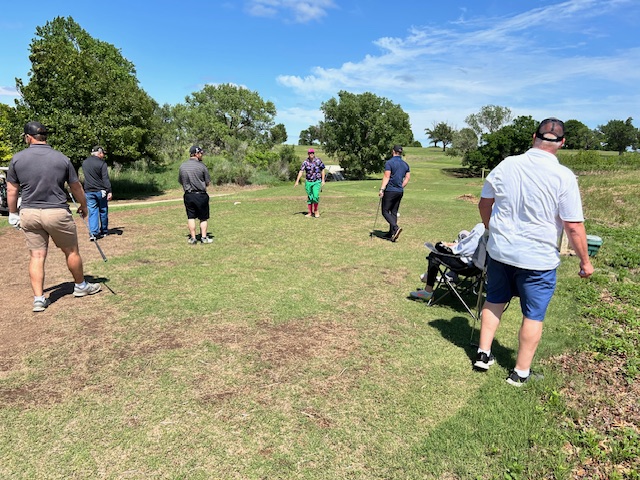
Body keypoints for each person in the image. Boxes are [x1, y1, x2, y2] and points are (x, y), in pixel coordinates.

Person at [475, 118, 594, 386]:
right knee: (533, 314)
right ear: (562, 143)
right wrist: (585, 261)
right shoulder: (563, 176)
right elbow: (573, 226)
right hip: (538, 258)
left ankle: (483, 354)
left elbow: (485, 204)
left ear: (534, 137)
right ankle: (520, 372)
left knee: (494, 299)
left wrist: (489, 228)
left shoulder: (506, 165)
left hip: (501, 250)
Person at [6, 121, 102, 312]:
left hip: (30, 212)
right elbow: (76, 187)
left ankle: (39, 299)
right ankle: (81, 286)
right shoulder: (62, 158)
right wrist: (83, 206)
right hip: (57, 212)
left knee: (37, 255)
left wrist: (12, 213)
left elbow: (11, 189)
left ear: (29, 137)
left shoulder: (17, 159)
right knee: (71, 251)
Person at [410, 223, 485, 301]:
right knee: (440, 249)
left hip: (466, 267)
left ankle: (428, 290)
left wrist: (450, 246)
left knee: (436, 251)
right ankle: (431, 279)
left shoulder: (481, 227)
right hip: (479, 269)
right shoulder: (494, 232)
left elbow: (467, 249)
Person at [178, 146, 213, 244]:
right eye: (201, 153)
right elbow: (208, 182)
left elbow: (181, 181)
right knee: (203, 218)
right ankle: (204, 237)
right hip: (201, 195)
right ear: (196, 154)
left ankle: (193, 238)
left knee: (191, 217)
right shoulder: (202, 166)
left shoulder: (182, 166)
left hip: (188, 195)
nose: (202, 155)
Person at [379, 145, 410, 242]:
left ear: (393, 151)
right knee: (393, 212)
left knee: (385, 211)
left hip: (390, 190)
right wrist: (401, 186)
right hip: (399, 191)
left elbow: (387, 176)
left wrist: (382, 189)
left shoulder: (389, 163)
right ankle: (391, 233)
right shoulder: (405, 164)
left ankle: (395, 228)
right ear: (400, 152)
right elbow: (407, 178)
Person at [81, 145, 112, 240]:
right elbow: (105, 178)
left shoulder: (85, 163)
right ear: (99, 153)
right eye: (103, 153)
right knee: (103, 210)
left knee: (92, 211)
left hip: (89, 191)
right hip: (100, 191)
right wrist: (109, 190)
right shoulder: (102, 163)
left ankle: (93, 233)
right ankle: (104, 231)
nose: (103, 155)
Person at [294, 148, 325, 217]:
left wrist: (323, 180)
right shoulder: (305, 162)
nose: (311, 154)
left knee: (315, 196)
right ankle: (310, 212)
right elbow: (301, 171)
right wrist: (297, 181)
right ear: (308, 154)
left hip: (317, 181)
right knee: (310, 197)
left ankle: (316, 210)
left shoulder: (318, 161)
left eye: (312, 153)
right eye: (310, 153)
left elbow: (322, 170)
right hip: (308, 182)